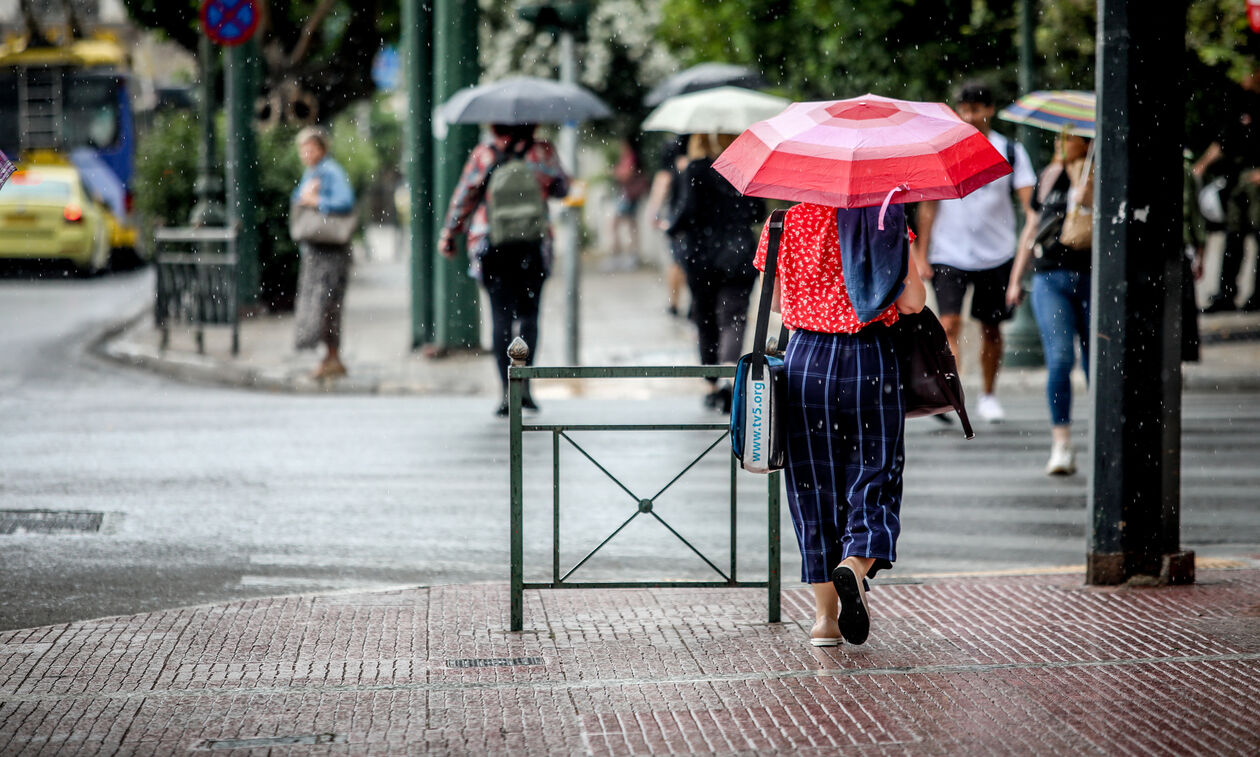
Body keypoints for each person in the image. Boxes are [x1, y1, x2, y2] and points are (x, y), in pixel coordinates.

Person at [754, 202, 926, 647]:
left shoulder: (781, 221)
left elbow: (773, 299)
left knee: (812, 488)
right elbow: (913, 302)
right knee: (875, 475)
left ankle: (824, 621)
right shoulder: (884, 218)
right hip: (869, 357)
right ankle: (854, 563)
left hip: (804, 362)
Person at [913, 81, 1036, 423]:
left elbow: (1029, 204)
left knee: (991, 328)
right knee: (949, 323)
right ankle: (954, 392)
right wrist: (922, 254)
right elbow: (928, 207)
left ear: (989, 110)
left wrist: (1029, 238)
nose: (969, 116)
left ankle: (988, 394)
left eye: (976, 108)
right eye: (964, 109)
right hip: (949, 251)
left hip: (995, 253)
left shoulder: (1010, 151)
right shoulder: (945, 150)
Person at [439, 123, 569, 417]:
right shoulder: (543, 151)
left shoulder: (484, 154)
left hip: (492, 243)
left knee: (501, 317)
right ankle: (525, 388)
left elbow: (465, 196)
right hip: (534, 244)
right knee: (529, 317)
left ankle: (505, 391)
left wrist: (450, 233)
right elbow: (563, 188)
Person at [1007, 132, 1093, 475]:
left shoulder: (1098, 173)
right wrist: (1015, 278)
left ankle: (1103, 437)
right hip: (1049, 277)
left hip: (1091, 276)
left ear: (1086, 143)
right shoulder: (1048, 175)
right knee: (1059, 358)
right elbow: (1032, 227)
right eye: (1059, 137)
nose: (1061, 143)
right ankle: (1061, 443)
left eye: (1069, 138)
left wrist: (1091, 200)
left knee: (1095, 363)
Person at [667, 133, 764, 411]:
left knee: (706, 319)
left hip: (703, 257)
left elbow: (687, 212)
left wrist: (670, 227)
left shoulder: (696, 170)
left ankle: (711, 385)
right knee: (734, 318)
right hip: (739, 255)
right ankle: (728, 381)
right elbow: (757, 211)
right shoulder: (743, 167)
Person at [291, 126, 356, 380]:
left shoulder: (330, 171)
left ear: (321, 148)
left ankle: (331, 357)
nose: (306, 153)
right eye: (303, 149)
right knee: (322, 304)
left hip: (330, 251)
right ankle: (330, 357)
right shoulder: (314, 173)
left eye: (310, 148)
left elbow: (345, 201)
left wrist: (318, 202)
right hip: (318, 250)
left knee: (327, 303)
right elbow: (298, 199)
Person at [1194, 70, 1260, 313]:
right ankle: (1226, 293)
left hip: (1255, 176)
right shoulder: (1238, 103)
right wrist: (1201, 165)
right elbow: (1223, 141)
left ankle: (1256, 296)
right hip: (1235, 178)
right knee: (1234, 237)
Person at [646, 134, 690, 317]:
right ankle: (692, 303)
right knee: (688, 262)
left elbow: (661, 187)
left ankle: (674, 303)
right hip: (692, 218)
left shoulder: (669, 162)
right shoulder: (691, 159)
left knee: (676, 263)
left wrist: (654, 214)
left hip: (674, 220)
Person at [605, 137, 649, 271]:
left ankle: (624, 256)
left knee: (620, 225)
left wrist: (615, 173)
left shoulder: (630, 157)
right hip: (628, 196)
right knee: (630, 226)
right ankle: (629, 256)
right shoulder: (628, 157)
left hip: (627, 197)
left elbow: (627, 174)